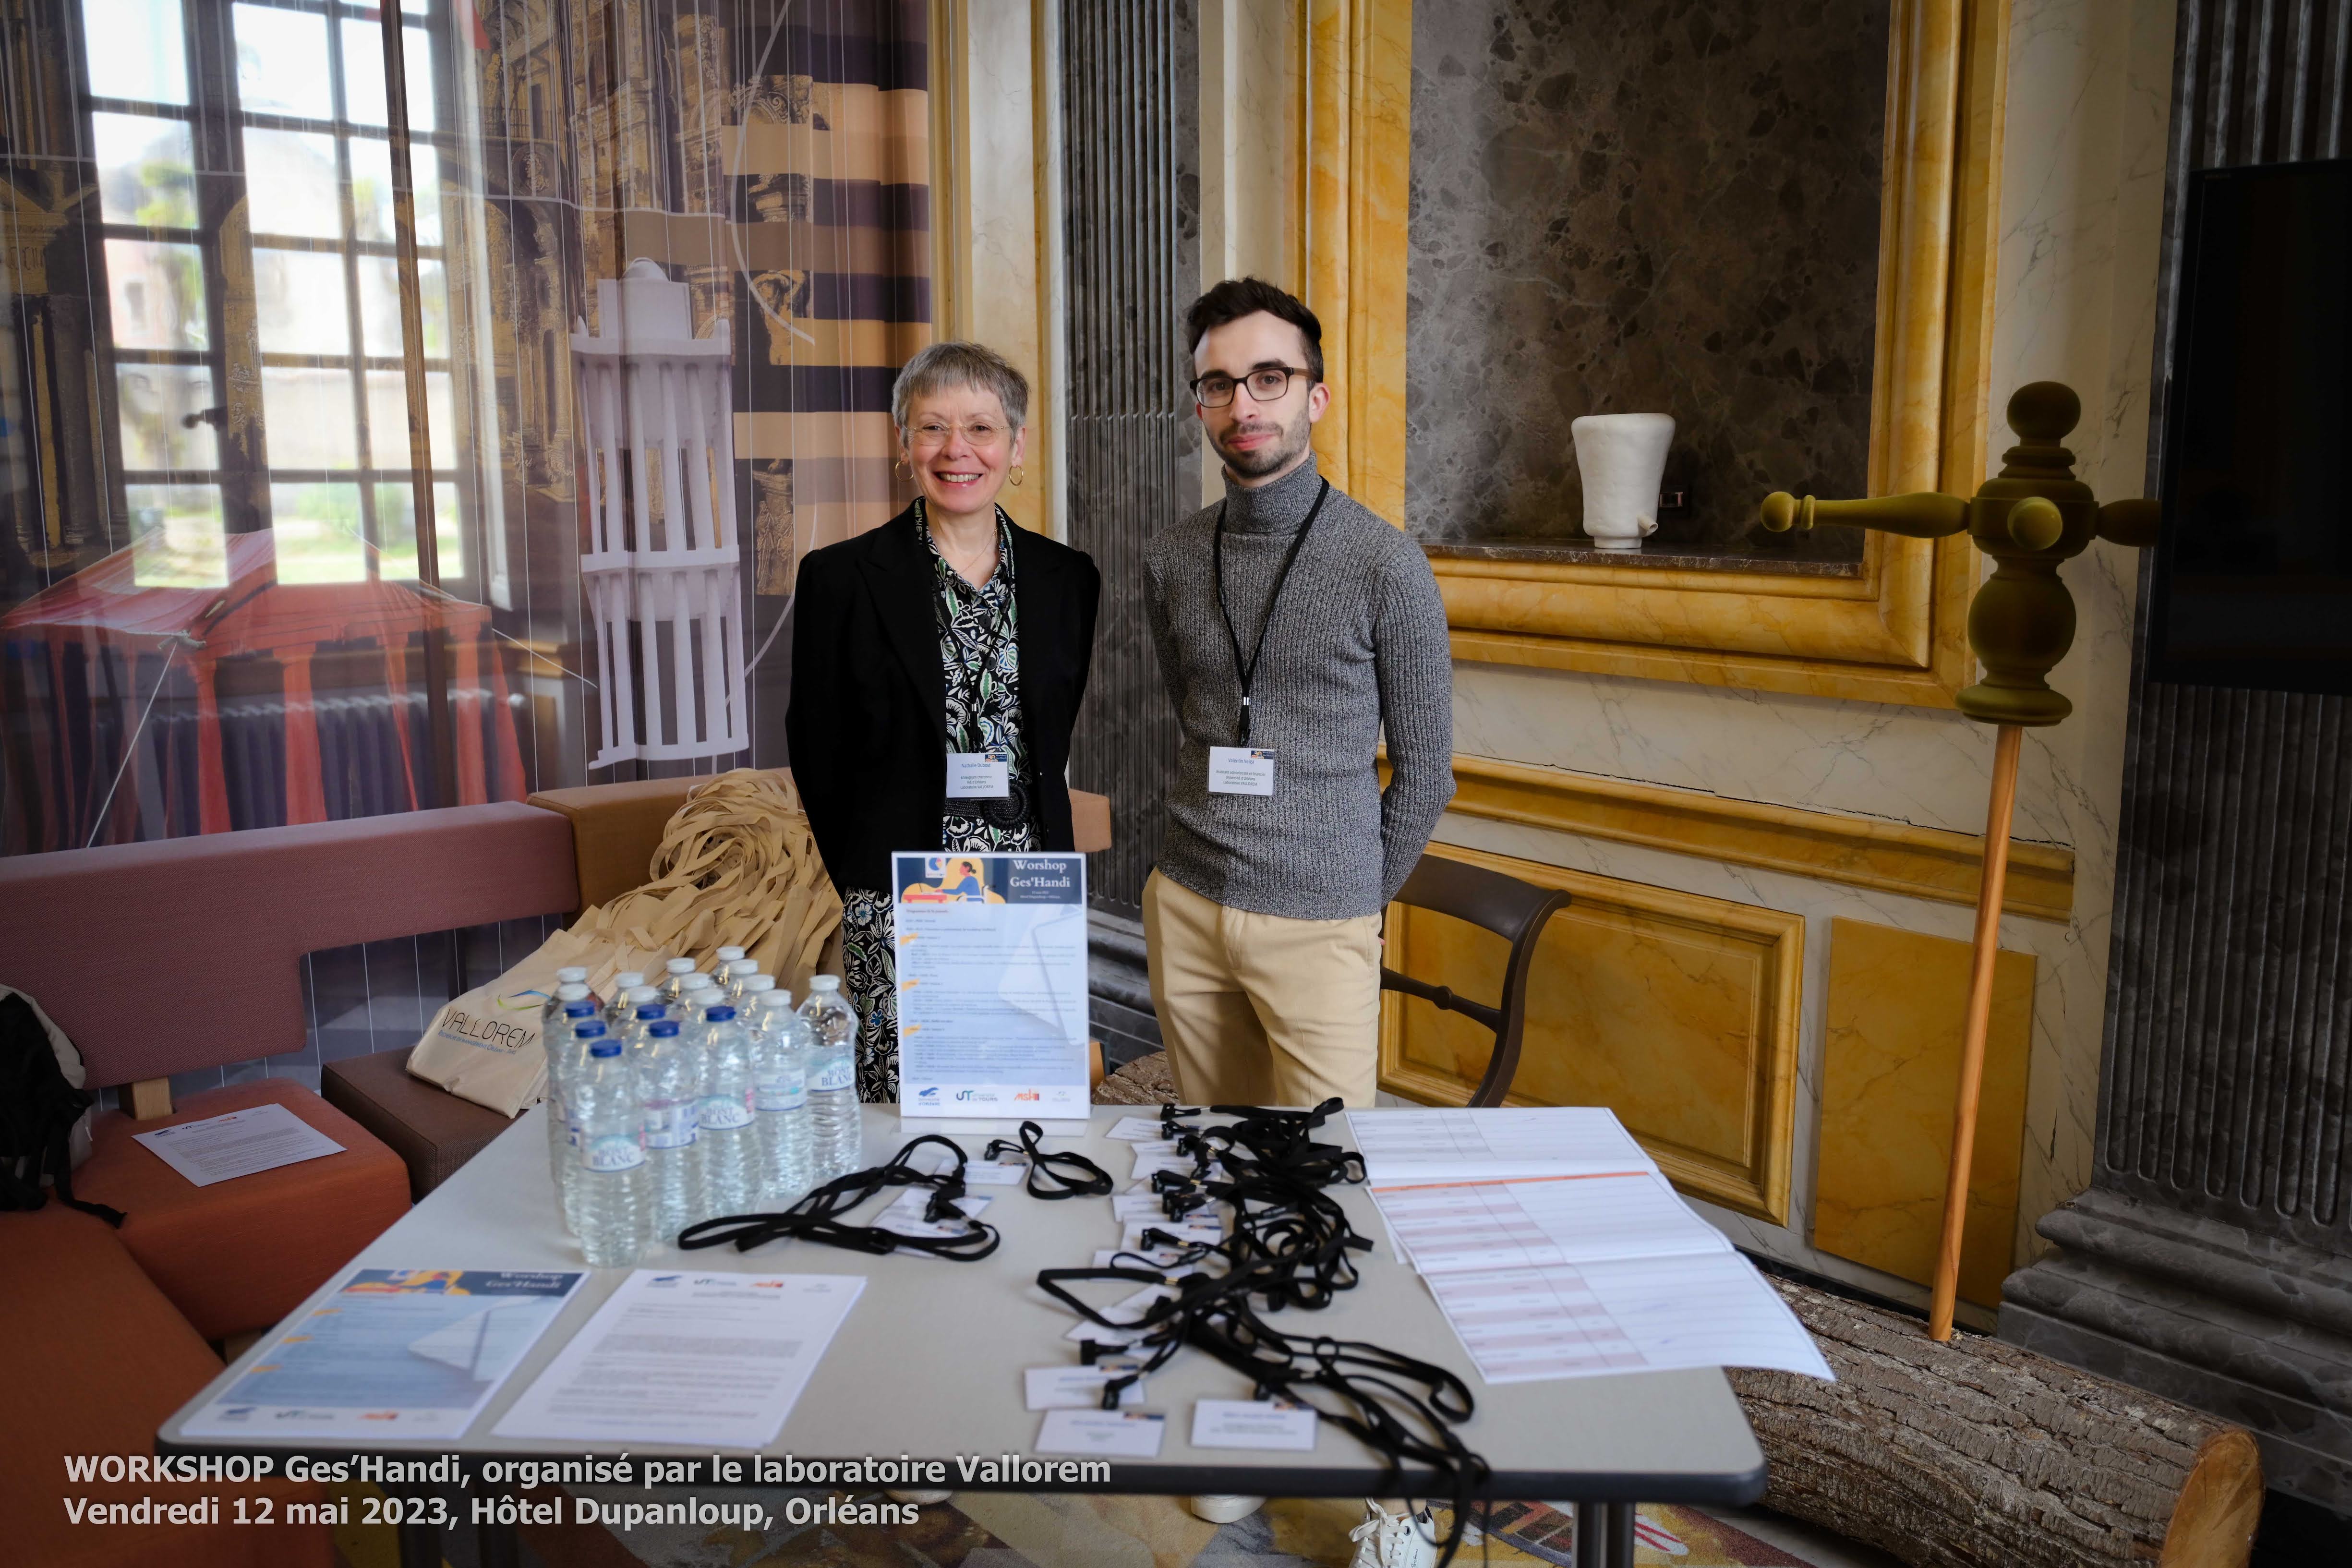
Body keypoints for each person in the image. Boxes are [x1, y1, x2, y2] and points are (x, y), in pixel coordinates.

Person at [1141, 277, 1454, 1110]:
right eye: (1219, 384)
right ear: (1202, 404)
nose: (1245, 403)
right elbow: (1196, 713)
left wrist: (1350, 896)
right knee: (1218, 1154)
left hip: (1322, 920)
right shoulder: (1171, 557)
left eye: (1269, 378)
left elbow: (1428, 773)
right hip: (1186, 899)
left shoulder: (1387, 565)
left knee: (1329, 1167)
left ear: (1314, 396)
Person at [788, 341, 1101, 1101]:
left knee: (1023, 1102)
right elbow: (815, 747)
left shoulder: (1069, 579)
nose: (957, 450)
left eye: (981, 429)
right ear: (904, 445)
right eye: (932, 428)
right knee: (907, 1109)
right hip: (902, 894)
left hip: (1028, 888)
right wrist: (868, 880)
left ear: (1016, 446)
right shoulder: (840, 578)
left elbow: (1050, 737)